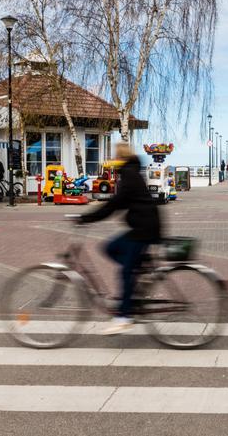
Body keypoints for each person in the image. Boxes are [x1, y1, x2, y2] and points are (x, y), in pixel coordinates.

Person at [81, 143, 162, 335]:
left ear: (120, 157)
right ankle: (138, 266)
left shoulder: (129, 175)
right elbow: (117, 204)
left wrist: (87, 218)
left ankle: (124, 316)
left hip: (144, 229)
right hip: (143, 226)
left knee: (125, 272)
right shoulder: (130, 172)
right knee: (110, 248)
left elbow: (114, 205)